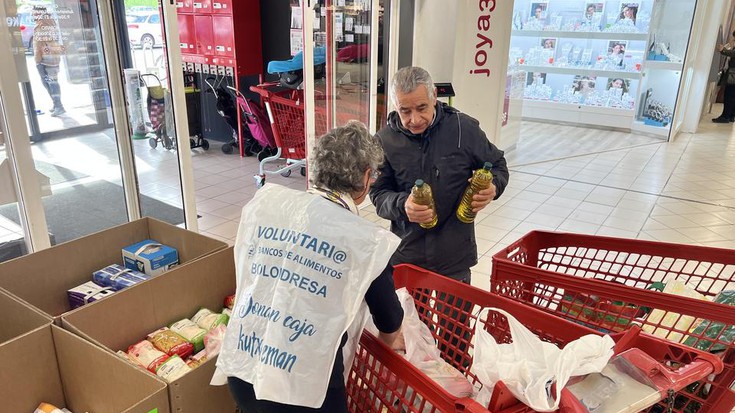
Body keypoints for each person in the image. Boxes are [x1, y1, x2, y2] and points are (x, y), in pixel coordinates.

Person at [215, 121, 405, 413]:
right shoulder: (364, 241)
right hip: (302, 393)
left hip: (243, 371)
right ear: (367, 177)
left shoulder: (271, 206)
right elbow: (390, 322)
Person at [369, 67, 509, 361]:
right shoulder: (384, 141)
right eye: (405, 111)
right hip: (407, 256)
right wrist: (402, 205)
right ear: (395, 105)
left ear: (435, 97)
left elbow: (498, 164)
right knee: (414, 332)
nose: (414, 119)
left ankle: (457, 389)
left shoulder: (463, 129)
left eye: (421, 108)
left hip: (453, 253)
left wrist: (493, 186)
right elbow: (378, 194)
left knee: (455, 333)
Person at [33, 6, 65, 116]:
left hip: (46, 58)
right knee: (51, 82)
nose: (32, 15)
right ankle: (57, 104)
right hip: (51, 57)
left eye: (34, 12)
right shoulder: (49, 21)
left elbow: (40, 44)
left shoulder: (43, 24)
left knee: (50, 83)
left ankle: (59, 106)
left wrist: (38, 59)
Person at [713, 31, 735, 123]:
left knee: (729, 95)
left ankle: (725, 117)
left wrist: (723, 50)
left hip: (733, 75)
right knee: (732, 96)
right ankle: (730, 116)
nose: (733, 39)